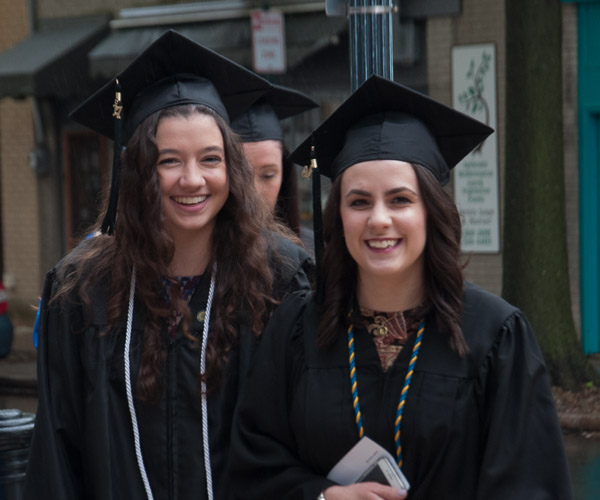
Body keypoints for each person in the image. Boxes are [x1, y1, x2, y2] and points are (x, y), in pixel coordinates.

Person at [229, 75, 573, 500]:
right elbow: (250, 468)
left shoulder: (496, 337)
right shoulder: (298, 329)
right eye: (358, 202)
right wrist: (319, 497)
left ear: (431, 212)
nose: (378, 219)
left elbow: (529, 484)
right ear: (338, 218)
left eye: (400, 200)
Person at [24, 30, 312, 500]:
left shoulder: (282, 279)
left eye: (211, 158)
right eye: (168, 160)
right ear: (137, 170)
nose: (192, 179)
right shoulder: (82, 289)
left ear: (231, 170)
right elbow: (58, 452)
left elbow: (305, 436)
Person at [231, 84, 318, 253]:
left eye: (268, 175)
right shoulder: (196, 256)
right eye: (240, 175)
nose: (254, 191)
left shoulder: (310, 251)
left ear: (284, 175)